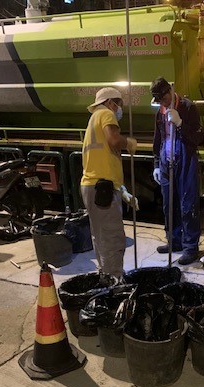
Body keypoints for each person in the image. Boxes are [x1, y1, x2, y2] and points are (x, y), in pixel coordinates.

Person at [81, 87, 138, 278]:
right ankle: (115, 281)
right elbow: (113, 140)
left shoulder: (93, 119)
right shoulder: (106, 113)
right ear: (110, 102)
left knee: (101, 237)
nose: (120, 109)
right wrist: (128, 143)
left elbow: (103, 161)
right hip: (102, 187)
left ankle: (106, 276)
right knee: (113, 239)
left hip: (93, 185)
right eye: (119, 104)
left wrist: (122, 190)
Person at [150, 77, 204, 265]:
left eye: (164, 99)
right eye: (159, 101)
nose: (163, 103)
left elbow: (199, 137)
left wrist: (181, 124)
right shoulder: (160, 112)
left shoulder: (188, 108)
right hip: (166, 162)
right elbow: (158, 139)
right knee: (169, 204)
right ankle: (174, 241)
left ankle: (190, 247)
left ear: (170, 92)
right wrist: (157, 164)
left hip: (185, 161)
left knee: (188, 204)